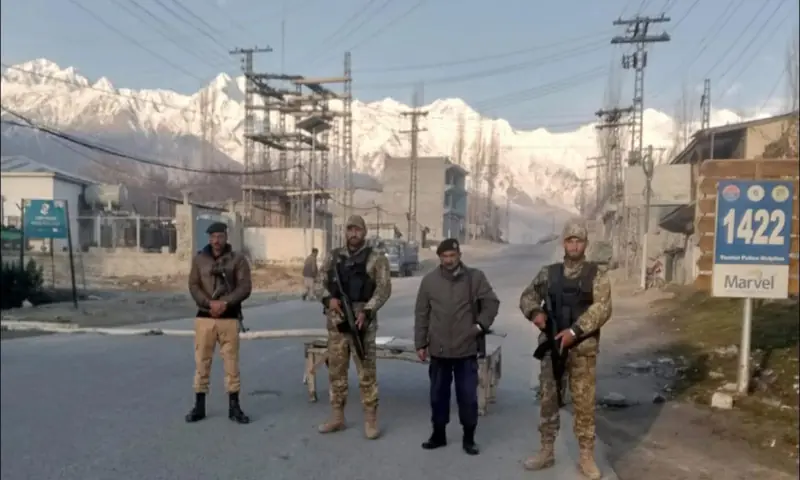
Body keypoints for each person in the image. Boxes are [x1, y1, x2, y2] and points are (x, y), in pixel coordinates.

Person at [518, 220, 612, 480]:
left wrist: (574, 332)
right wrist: (536, 313)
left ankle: (586, 456)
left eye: (578, 240)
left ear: (585, 244)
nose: (574, 245)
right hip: (553, 349)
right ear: (564, 243)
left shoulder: (597, 275)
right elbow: (527, 296)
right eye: (570, 240)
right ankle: (546, 450)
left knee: (583, 404)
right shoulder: (549, 273)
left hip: (582, 349)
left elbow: (602, 308)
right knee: (548, 400)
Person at [414, 238, 500, 456]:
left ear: (459, 255)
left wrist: (480, 325)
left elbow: (492, 302)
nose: (449, 260)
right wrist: (420, 343)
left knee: (468, 397)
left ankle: (469, 438)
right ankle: (438, 435)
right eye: (445, 257)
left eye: (453, 256)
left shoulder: (475, 278)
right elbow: (422, 314)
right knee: (438, 396)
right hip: (439, 349)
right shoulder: (429, 281)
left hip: (466, 348)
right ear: (440, 258)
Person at [314, 215, 392, 439]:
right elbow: (319, 282)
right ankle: (337, 417)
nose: (353, 233)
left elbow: (384, 289)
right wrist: (329, 300)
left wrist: (367, 311)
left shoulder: (376, 258)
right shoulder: (333, 257)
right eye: (350, 229)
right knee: (336, 372)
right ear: (345, 232)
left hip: (362, 323)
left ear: (364, 232)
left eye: (358, 229)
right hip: (337, 323)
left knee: (367, 373)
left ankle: (370, 420)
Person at [185, 221, 253, 425]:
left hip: (229, 318)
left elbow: (245, 287)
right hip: (205, 318)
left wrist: (225, 303)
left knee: (231, 365)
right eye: (213, 236)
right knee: (202, 363)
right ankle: (199, 406)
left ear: (226, 237)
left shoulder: (238, 260)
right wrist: (208, 303)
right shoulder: (199, 260)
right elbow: (193, 285)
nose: (216, 240)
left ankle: (234, 406)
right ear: (208, 238)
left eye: (220, 236)